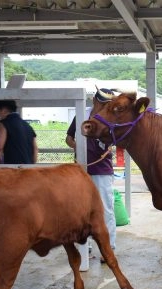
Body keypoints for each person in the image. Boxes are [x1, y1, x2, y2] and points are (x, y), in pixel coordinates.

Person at [66, 88, 116, 260]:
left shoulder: (109, 119)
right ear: (94, 100)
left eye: (106, 104)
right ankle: (84, 246)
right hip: (82, 169)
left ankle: (108, 247)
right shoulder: (82, 115)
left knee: (105, 209)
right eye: (101, 102)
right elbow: (68, 138)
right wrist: (79, 148)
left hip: (102, 169)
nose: (103, 106)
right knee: (81, 210)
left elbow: (114, 140)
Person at [0, 100, 38, 164]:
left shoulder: (3, 124)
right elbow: (35, 149)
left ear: (3, 110)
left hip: (13, 169)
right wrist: (32, 165)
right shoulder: (27, 125)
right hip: (28, 169)